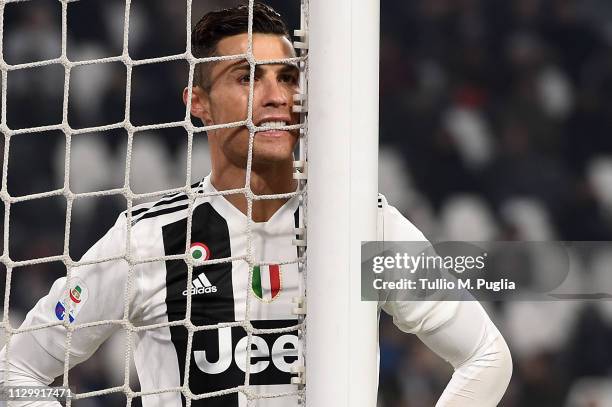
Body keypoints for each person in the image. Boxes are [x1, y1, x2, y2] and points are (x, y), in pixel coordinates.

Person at [0, 3, 512, 406]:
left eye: (286, 78)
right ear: (196, 102)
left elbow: (488, 356)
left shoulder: (363, 224)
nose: (275, 96)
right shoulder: (147, 239)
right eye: (248, 77)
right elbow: (16, 371)